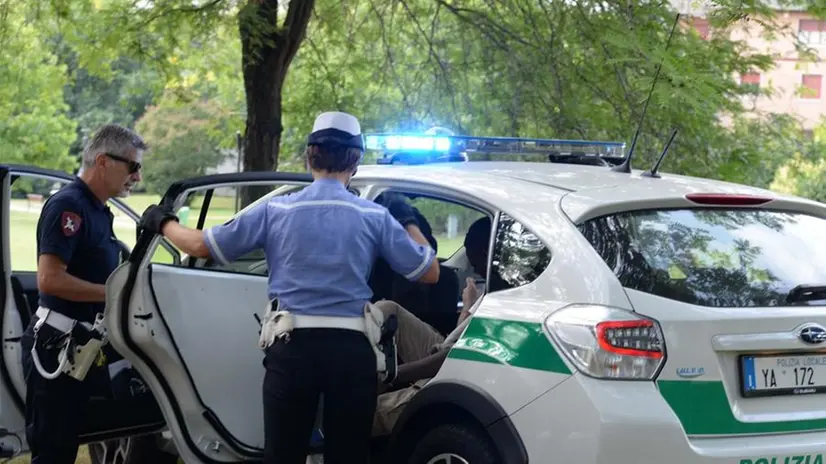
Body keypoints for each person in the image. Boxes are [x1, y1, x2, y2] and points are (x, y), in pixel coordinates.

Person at [138, 111, 440, 464]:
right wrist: (407, 218)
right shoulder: (373, 216)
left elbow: (201, 246)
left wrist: (163, 222)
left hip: (293, 350)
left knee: (283, 454)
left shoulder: (275, 211)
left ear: (309, 155)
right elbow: (429, 271)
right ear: (355, 161)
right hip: (352, 353)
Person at [20, 124, 146, 464]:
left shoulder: (97, 210)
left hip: (82, 346)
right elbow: (50, 280)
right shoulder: (69, 207)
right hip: (56, 347)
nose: (137, 176)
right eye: (133, 166)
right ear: (104, 161)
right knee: (53, 452)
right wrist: (114, 294)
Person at [371, 215, 506, 436]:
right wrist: (468, 306)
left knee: (358, 411)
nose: (474, 270)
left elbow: (450, 359)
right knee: (386, 309)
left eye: (475, 264)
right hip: (447, 353)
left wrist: (391, 374)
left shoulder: (502, 296)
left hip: (453, 374)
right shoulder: (490, 288)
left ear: (486, 253)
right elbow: (458, 337)